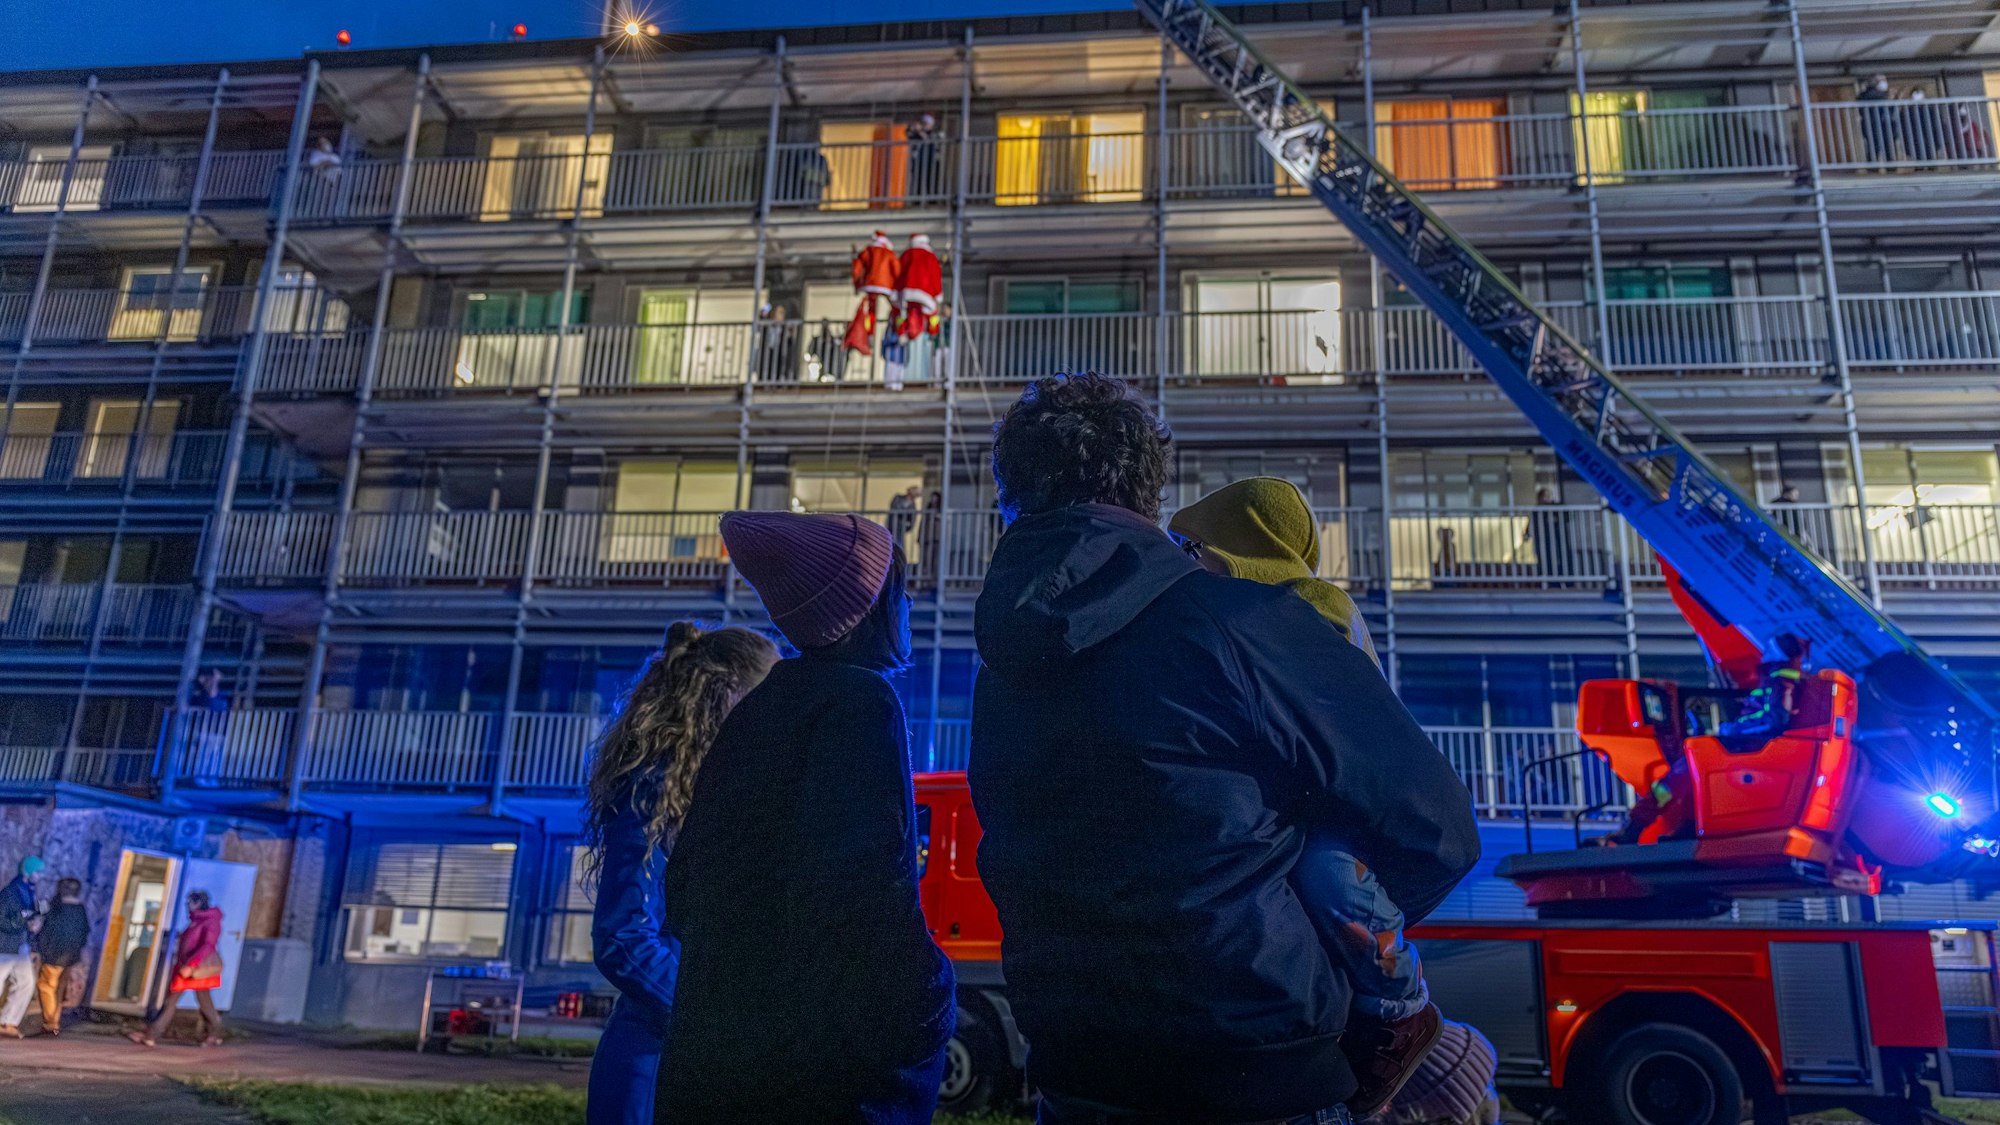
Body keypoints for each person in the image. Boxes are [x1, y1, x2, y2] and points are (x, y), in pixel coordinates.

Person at [971, 373, 1481, 1124]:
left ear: (1011, 500)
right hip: (1261, 1069)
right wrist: (1325, 936)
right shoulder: (1241, 621)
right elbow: (1435, 827)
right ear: (1149, 490)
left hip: (1077, 1069)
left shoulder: (1002, 666)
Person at [656, 512, 955, 1122]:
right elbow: (863, 900)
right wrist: (931, 997)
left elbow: (683, 893)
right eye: (900, 586)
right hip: (823, 1080)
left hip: (720, 1068)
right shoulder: (859, 706)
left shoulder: (761, 709)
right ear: (871, 605)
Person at [1171, 478, 1441, 1116]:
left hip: (1334, 805)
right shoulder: (1258, 611)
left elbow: (1328, 717)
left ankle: (1403, 1006)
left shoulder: (1315, 609)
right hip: (1297, 798)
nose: (1191, 559)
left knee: (1331, 880)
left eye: (1201, 548)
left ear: (1244, 549)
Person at [582, 623, 779, 1125]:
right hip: (652, 1068)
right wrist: (717, 1019)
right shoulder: (655, 790)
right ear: (726, 696)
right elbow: (622, 937)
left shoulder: (719, 789)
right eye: (770, 695)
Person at [127, 889, 224, 1048]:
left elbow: (208, 945)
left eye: (190, 902)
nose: (187, 906)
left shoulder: (209, 921)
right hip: (188, 968)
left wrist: (191, 965)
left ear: (198, 903)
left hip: (194, 970)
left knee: (177, 1001)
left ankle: (152, 1034)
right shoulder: (197, 920)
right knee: (201, 1003)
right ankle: (214, 1034)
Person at [35, 876, 87, 1036]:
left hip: (54, 954)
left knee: (47, 985)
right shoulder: (80, 910)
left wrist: (41, 948)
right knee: (59, 988)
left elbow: (46, 930)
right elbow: (85, 933)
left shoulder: (56, 908)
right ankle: (55, 1020)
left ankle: (50, 1023)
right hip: (71, 956)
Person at [0, 857, 43, 1038]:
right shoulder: (11, 892)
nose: (40, 876)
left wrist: (33, 924)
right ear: (28, 871)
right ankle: (7, 1021)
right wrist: (25, 924)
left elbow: (26, 916)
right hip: (6, 945)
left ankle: (8, 1021)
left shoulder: (27, 891)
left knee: (27, 982)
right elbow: (3, 919)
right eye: (38, 872)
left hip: (20, 945)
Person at [1859, 74, 1898, 170]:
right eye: (1881, 80)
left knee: (1887, 146)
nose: (1884, 83)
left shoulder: (1884, 95)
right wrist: (1889, 97)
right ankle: (1875, 167)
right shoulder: (1869, 94)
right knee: (1875, 147)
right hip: (1874, 125)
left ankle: (1888, 166)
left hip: (1884, 124)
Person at [753, 305, 796, 383]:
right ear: (774, 314)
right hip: (767, 354)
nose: (782, 315)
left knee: (777, 370)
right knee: (766, 370)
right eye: (780, 312)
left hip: (779, 355)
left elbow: (789, 344)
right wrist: (767, 307)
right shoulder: (767, 325)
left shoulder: (785, 328)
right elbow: (761, 315)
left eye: (783, 313)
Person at [906, 113, 939, 199]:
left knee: (931, 180)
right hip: (918, 160)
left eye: (926, 123)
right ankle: (917, 200)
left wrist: (920, 131)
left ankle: (932, 200)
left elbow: (928, 140)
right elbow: (908, 134)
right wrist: (911, 128)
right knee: (917, 180)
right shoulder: (917, 134)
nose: (924, 125)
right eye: (923, 123)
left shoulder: (934, 133)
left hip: (931, 161)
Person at [886, 485, 920, 551]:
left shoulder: (913, 506)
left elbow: (912, 519)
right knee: (890, 544)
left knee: (899, 545)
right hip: (892, 525)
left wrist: (908, 526)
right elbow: (894, 507)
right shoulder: (898, 498)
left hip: (901, 528)